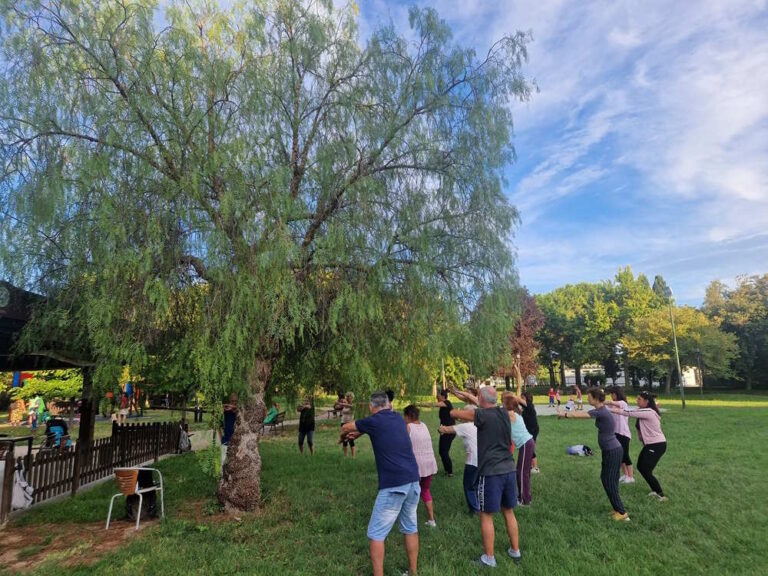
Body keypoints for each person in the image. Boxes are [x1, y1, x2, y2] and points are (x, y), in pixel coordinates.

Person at [340, 391, 420, 576]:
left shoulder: (373, 421)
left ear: (371, 406)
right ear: (388, 405)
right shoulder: (398, 419)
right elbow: (371, 429)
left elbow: (346, 427)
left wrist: (342, 436)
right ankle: (413, 572)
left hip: (394, 485)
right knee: (410, 528)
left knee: (376, 534)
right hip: (413, 481)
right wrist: (358, 434)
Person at [451, 386, 522, 567]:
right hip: (509, 469)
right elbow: (486, 406)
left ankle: (489, 559)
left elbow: (454, 413)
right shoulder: (505, 413)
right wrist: (475, 400)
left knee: (486, 515)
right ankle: (515, 551)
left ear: (481, 399)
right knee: (508, 511)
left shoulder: (481, 416)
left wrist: (453, 407)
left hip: (491, 473)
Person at [558, 388, 629, 522]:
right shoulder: (602, 410)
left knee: (609, 480)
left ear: (596, 398)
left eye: (589, 397)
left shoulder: (601, 411)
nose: (587, 399)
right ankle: (617, 508)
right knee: (609, 479)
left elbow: (581, 415)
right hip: (611, 450)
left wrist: (564, 414)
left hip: (612, 450)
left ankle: (622, 512)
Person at [610, 391, 667, 500]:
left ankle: (661, 495)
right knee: (641, 467)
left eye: (639, 399)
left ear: (646, 401)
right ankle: (655, 491)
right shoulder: (644, 410)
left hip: (657, 445)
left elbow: (627, 412)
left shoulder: (649, 411)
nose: (637, 400)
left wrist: (608, 409)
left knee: (645, 469)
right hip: (650, 445)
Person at [403, 405, 438, 527]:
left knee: (410, 492)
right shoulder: (424, 425)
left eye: (404, 416)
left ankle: (409, 521)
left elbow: (403, 446)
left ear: (408, 416)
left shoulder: (408, 427)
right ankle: (431, 520)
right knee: (425, 490)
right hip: (429, 463)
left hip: (416, 466)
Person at [439, 417, 479, 514]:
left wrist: (441, 428)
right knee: (477, 483)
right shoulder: (479, 424)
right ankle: (480, 505)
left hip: (473, 461)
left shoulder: (466, 426)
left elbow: (445, 429)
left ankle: (475, 510)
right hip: (485, 459)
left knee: (469, 485)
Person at [501, 393, 535, 506]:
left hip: (526, 444)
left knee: (521, 473)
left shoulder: (510, 414)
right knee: (523, 472)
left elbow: (497, 413)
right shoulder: (515, 413)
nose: (501, 403)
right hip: (527, 444)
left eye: (502, 401)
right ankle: (525, 496)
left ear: (506, 405)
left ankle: (524, 500)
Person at [606, 386, 635, 484]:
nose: (611, 396)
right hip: (616, 433)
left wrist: (602, 400)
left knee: (625, 455)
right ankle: (625, 475)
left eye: (612, 394)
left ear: (616, 394)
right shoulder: (613, 405)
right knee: (620, 455)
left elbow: (609, 403)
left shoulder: (623, 403)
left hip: (624, 434)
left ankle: (631, 477)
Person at [436, 389, 456, 477]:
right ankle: (447, 470)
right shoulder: (443, 406)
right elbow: (444, 419)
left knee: (444, 452)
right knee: (441, 451)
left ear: (443, 396)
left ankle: (450, 472)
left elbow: (435, 404)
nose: (437, 396)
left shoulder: (447, 403)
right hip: (444, 431)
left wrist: (420, 404)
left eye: (438, 395)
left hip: (449, 431)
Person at [220, 394, 237, 473]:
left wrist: (233, 407)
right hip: (226, 437)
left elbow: (237, 409)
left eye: (235, 401)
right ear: (230, 401)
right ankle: (222, 473)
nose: (234, 402)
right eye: (232, 401)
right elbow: (220, 407)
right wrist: (228, 406)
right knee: (223, 457)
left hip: (236, 438)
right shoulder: (227, 408)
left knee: (234, 457)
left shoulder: (237, 409)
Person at [337, 392, 357, 458]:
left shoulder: (353, 405)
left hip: (350, 424)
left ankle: (353, 457)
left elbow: (350, 406)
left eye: (349, 397)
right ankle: (345, 456)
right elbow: (337, 407)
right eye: (347, 397)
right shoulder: (345, 405)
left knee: (350, 439)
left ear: (352, 398)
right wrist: (338, 404)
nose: (348, 398)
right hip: (343, 423)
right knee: (344, 440)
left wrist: (342, 403)